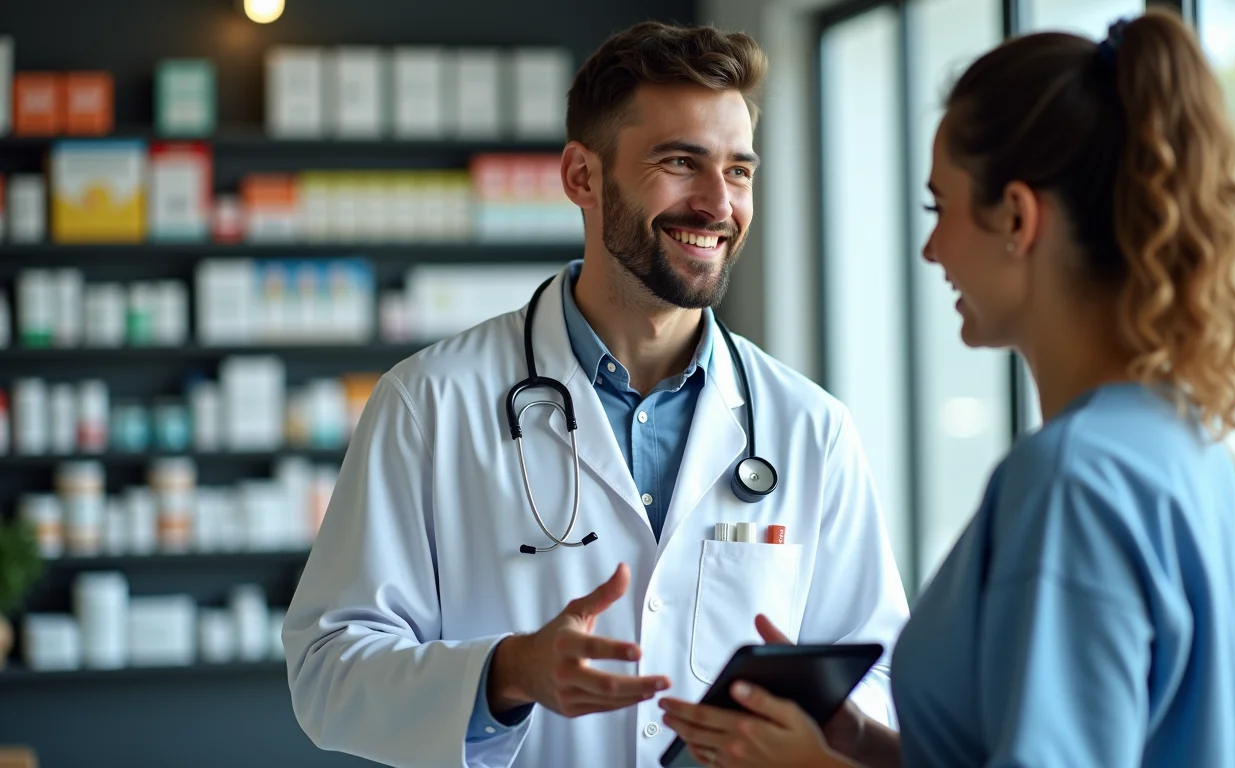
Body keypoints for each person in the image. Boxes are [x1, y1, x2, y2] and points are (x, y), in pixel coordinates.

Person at [659, 9, 1235, 768]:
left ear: (1016, 217)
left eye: (940, 207)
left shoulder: (1073, 479)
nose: (931, 247)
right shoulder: (1180, 440)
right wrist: (863, 744)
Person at [281, 20, 910, 768]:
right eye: (681, 162)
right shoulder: (429, 404)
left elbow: (878, 672)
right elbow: (327, 672)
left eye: (739, 171)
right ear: (582, 176)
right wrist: (508, 673)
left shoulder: (809, 427)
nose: (718, 204)